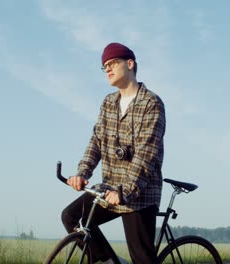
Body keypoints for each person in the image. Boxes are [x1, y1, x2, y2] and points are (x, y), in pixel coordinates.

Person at [61, 42, 166, 263]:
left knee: (143, 259)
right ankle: (107, 260)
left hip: (139, 194)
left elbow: (147, 154)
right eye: (104, 66)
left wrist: (126, 190)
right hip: (109, 189)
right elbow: (97, 141)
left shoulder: (151, 103)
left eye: (113, 63)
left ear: (130, 64)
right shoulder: (108, 103)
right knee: (72, 217)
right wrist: (83, 173)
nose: (107, 69)